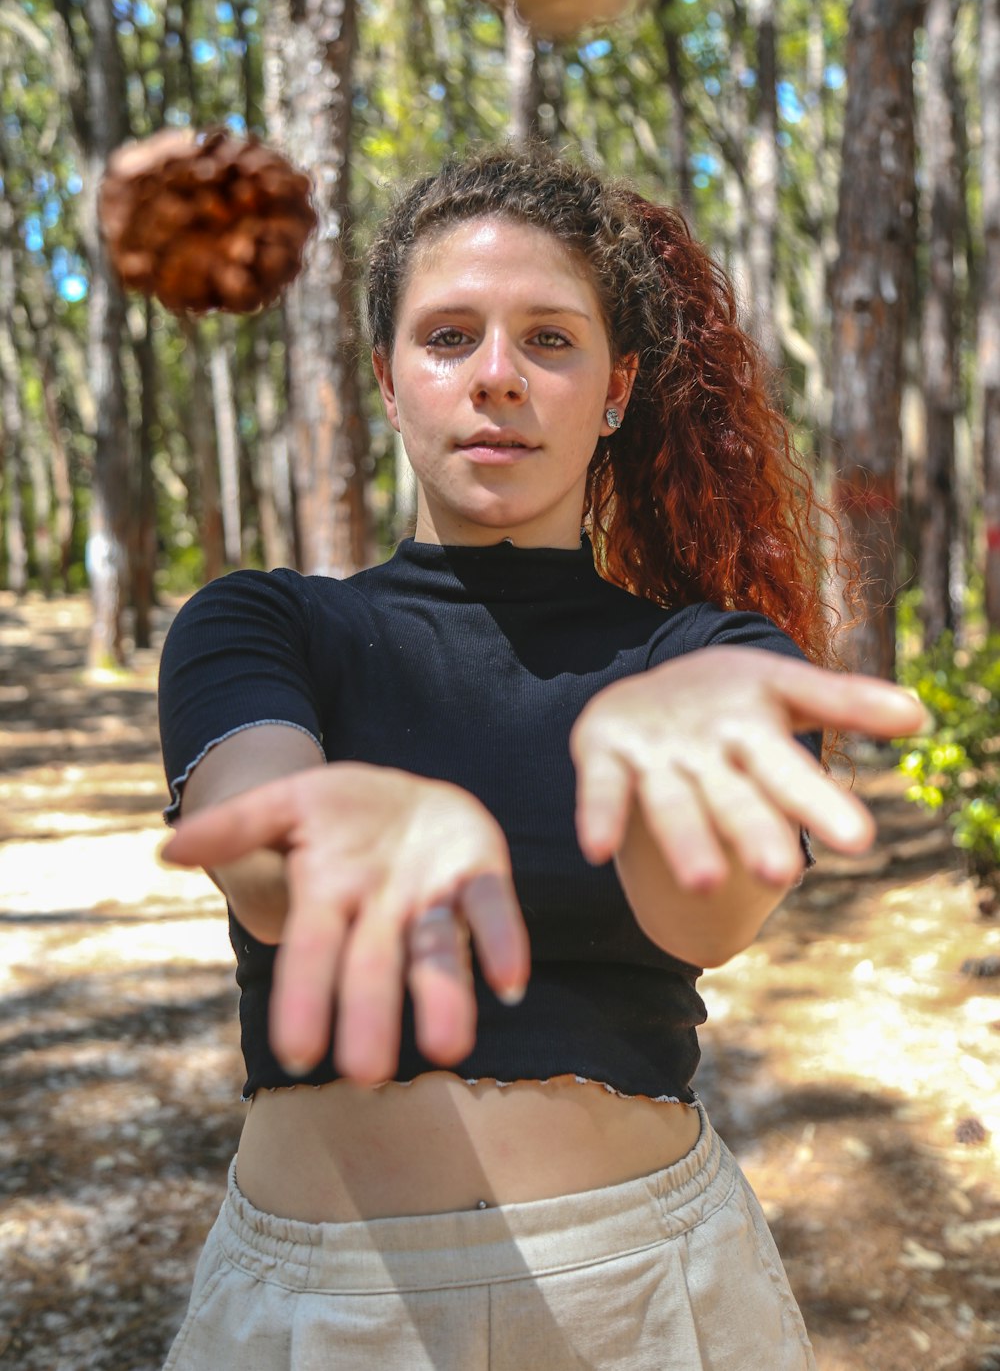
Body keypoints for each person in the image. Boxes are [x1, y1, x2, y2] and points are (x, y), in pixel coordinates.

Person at [157, 146, 926, 1371]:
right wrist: (335, 827)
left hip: (646, 1296)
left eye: (550, 342)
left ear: (616, 389)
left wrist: (681, 794)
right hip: (324, 1309)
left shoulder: (707, 657)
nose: (498, 378)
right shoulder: (268, 623)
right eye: (449, 336)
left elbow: (710, 917)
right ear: (388, 380)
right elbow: (263, 843)